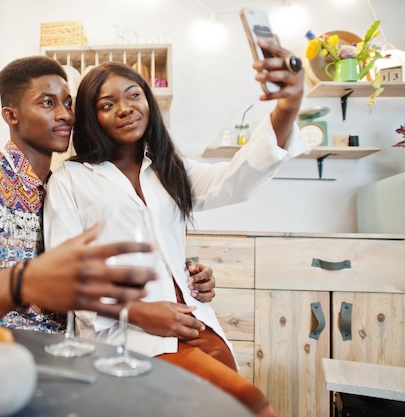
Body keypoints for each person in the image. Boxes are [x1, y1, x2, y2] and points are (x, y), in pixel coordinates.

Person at [43, 40, 310, 417]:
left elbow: (238, 178)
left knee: (238, 401)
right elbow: (63, 276)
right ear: (92, 117)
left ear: (149, 100)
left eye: (134, 95)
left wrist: (288, 105)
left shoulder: (169, 169)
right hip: (128, 338)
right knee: (249, 405)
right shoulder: (71, 179)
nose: (125, 109)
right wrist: (136, 312)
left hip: (195, 326)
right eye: (107, 105)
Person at [0, 55, 158, 331]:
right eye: (47, 102)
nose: (66, 114)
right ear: (11, 115)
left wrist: (180, 273)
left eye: (68, 102)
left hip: (70, 346)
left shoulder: (65, 186)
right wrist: (24, 281)